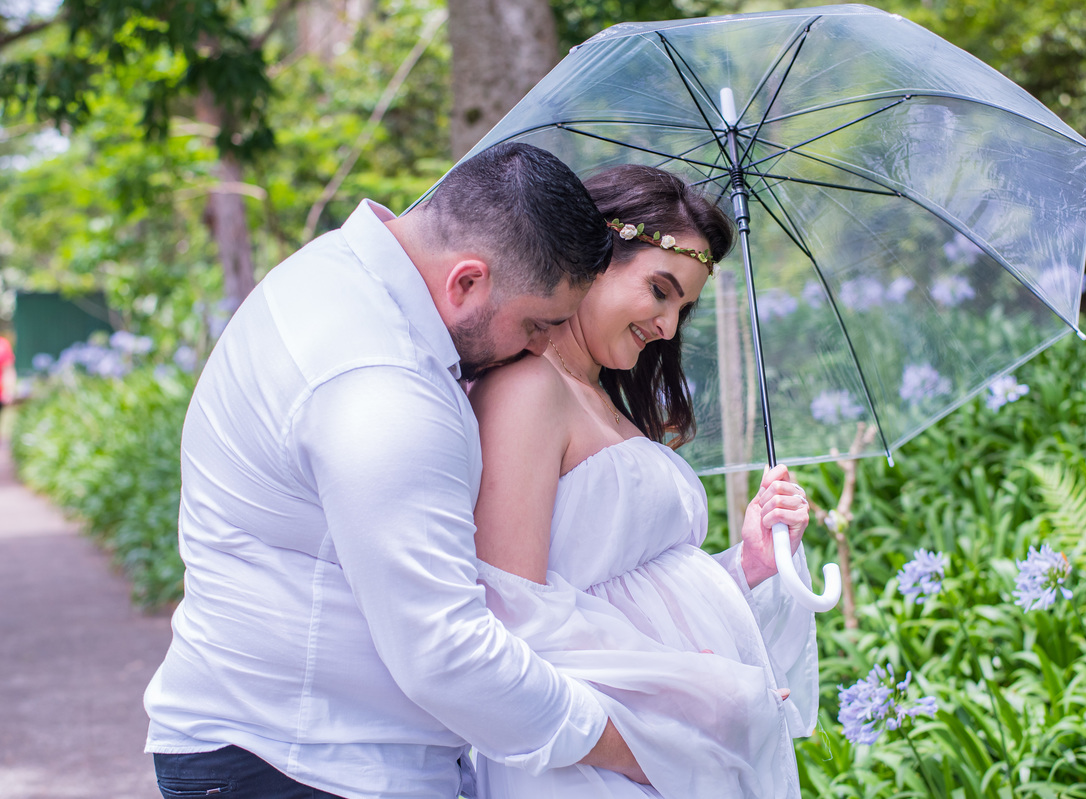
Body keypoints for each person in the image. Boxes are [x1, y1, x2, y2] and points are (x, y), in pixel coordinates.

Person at [144, 143, 649, 799]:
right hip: (303, 763)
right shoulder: (382, 387)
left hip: (287, 745)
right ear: (466, 281)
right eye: (536, 324)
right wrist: (631, 744)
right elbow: (445, 653)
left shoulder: (338, 271)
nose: (542, 350)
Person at [468, 164, 819, 799]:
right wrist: (681, 681)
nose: (669, 326)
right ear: (594, 257)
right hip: (598, 757)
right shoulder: (527, 389)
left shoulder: (600, 399)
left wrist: (749, 567)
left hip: (678, 739)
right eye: (660, 290)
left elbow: (630, 588)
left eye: (683, 305)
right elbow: (510, 606)